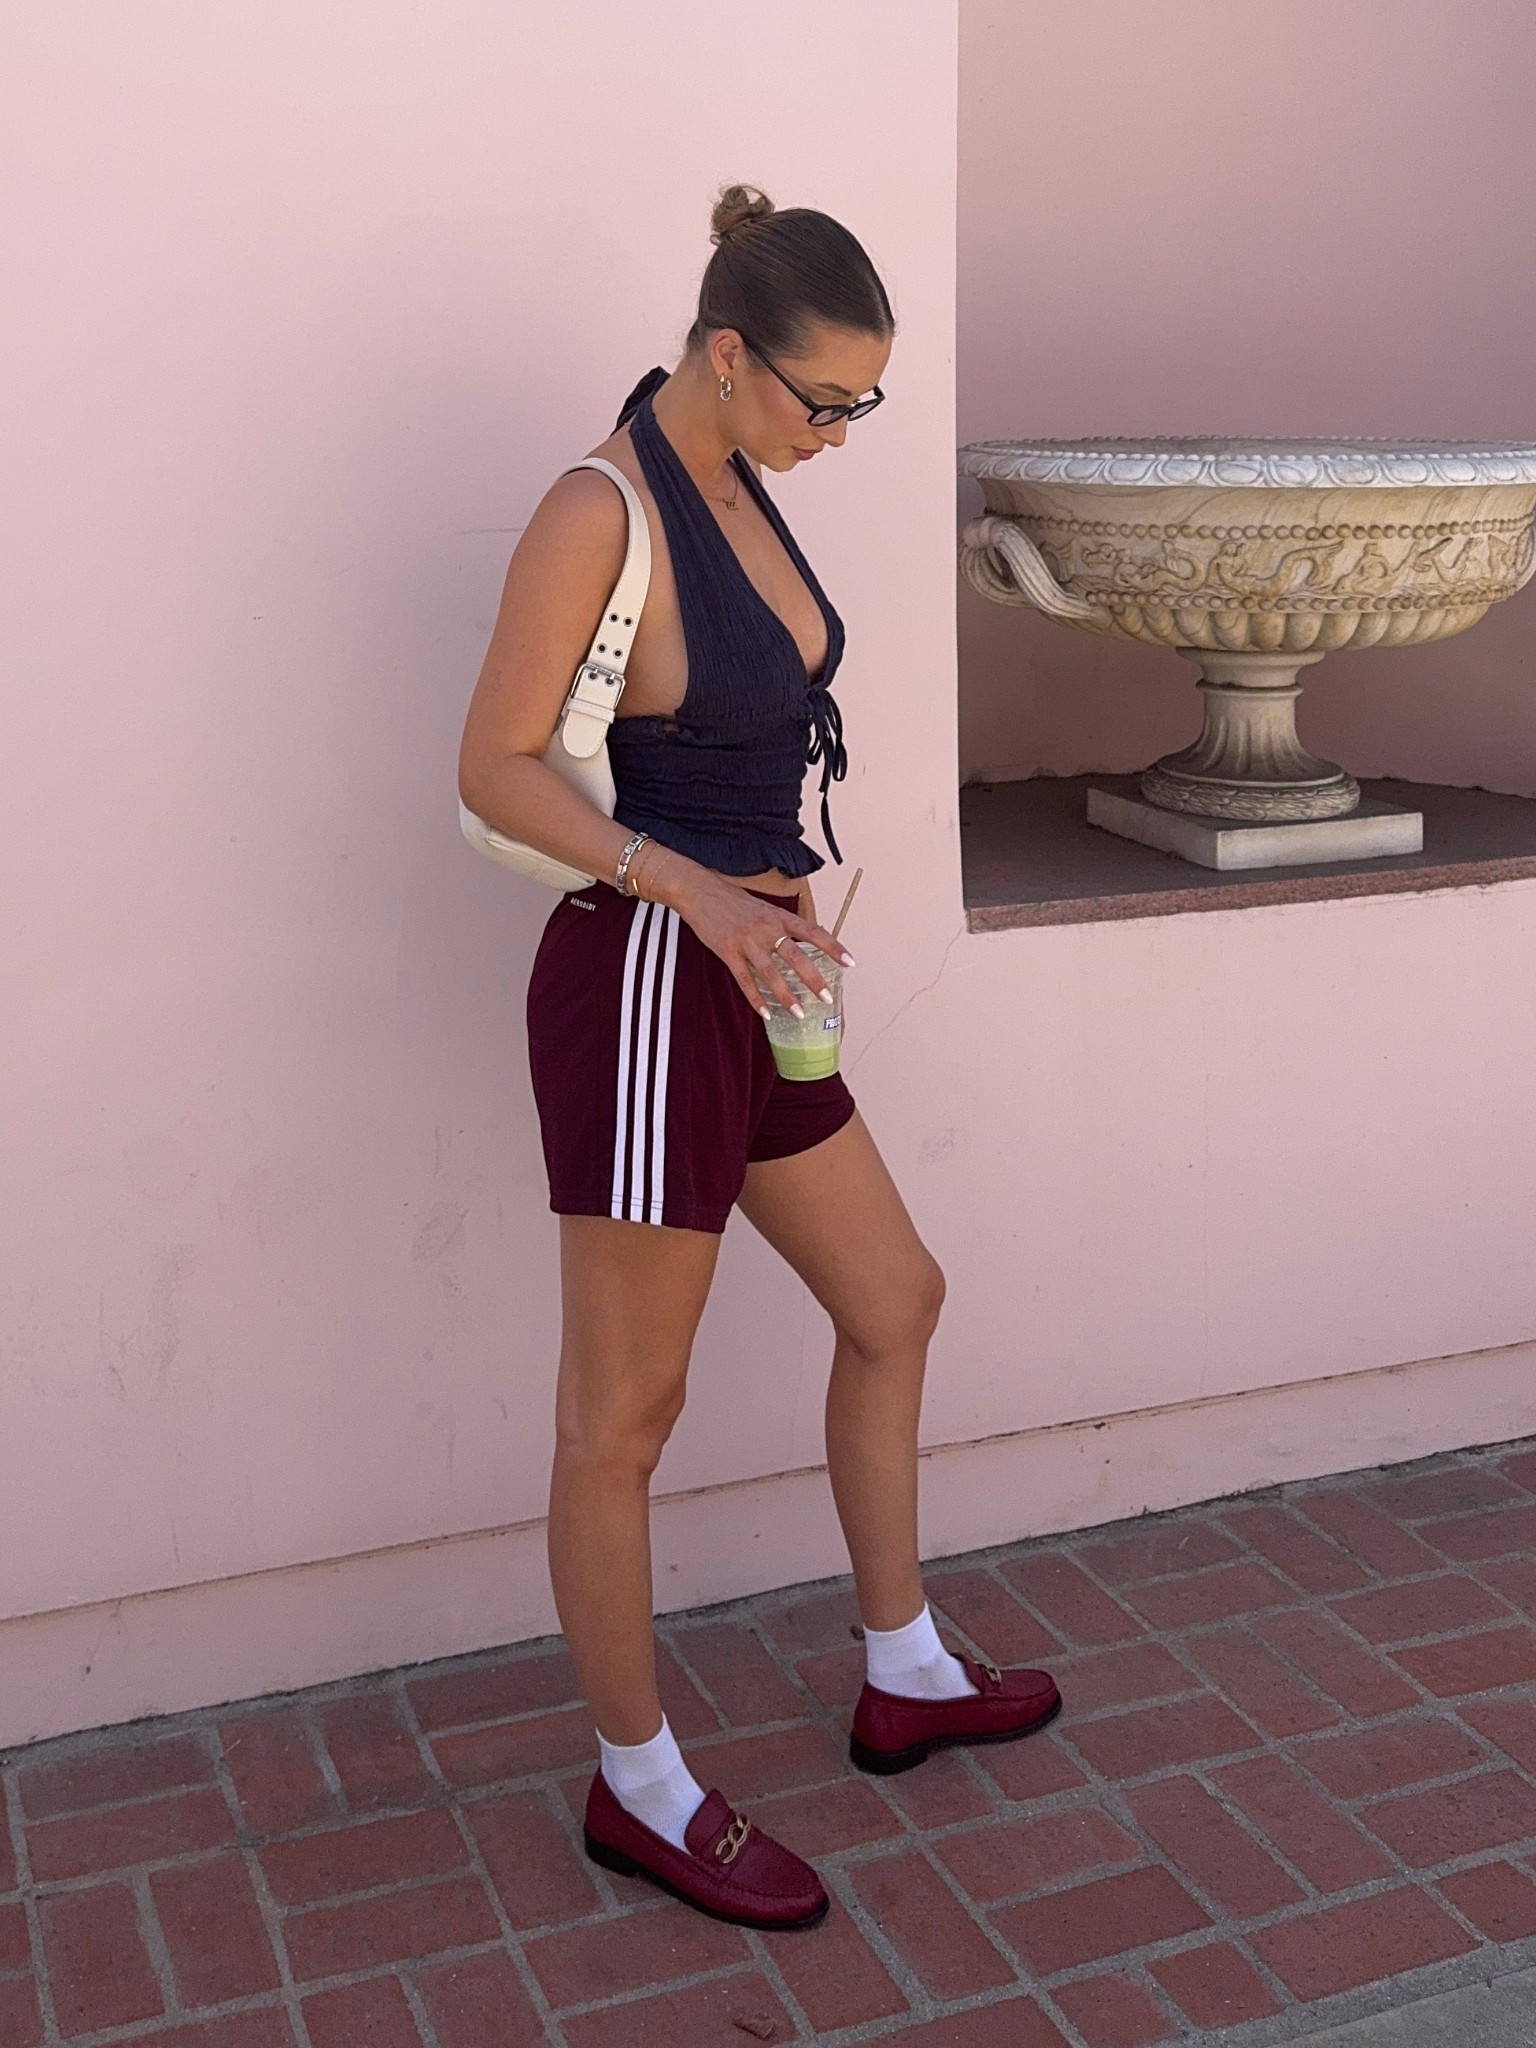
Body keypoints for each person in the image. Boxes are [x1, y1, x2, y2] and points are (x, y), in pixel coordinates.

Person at [457, 184, 1060, 1931]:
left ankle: (905, 1667)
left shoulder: (741, 477)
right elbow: (494, 767)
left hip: (760, 983)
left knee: (895, 1299)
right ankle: (637, 1783)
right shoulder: (602, 507)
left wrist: (770, 909)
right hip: (652, 981)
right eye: (827, 400)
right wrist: (703, 895)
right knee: (622, 1418)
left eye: (867, 403)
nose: (843, 434)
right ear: (729, 354)